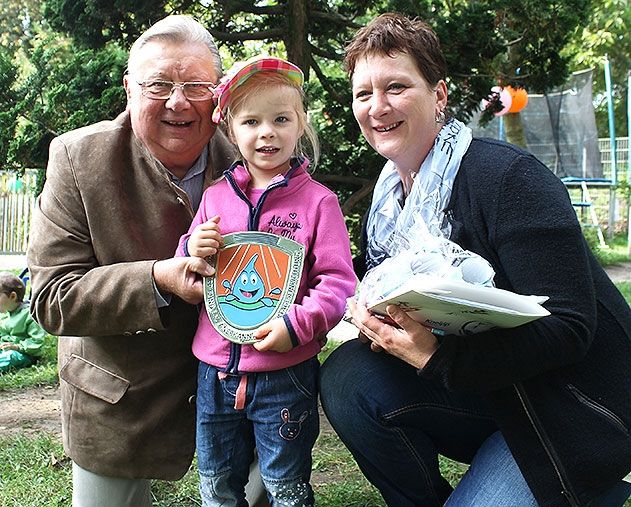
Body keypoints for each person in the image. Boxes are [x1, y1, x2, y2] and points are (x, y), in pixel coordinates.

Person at [319, 12, 631, 507]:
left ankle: (590, 483)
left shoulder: (508, 178)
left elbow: (570, 328)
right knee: (348, 376)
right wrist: (381, 324)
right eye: (363, 93)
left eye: (396, 87)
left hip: (570, 407)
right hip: (489, 387)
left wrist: (434, 357)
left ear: (439, 96)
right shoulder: (386, 207)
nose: (377, 107)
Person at [27, 15, 266, 507]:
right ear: (129, 90)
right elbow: (52, 297)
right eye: (158, 85)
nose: (178, 101)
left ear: (218, 95)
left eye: (196, 86)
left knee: (258, 491)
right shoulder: (77, 157)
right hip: (118, 393)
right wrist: (159, 279)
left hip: (240, 388)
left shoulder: (259, 159)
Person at [175, 56, 356, 506]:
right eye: (251, 121)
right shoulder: (215, 196)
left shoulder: (319, 203)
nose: (267, 132)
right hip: (214, 372)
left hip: (285, 373)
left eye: (281, 119)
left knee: (286, 486)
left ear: (301, 124)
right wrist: (192, 250)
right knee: (217, 482)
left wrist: (297, 326)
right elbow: (187, 261)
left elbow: (337, 283)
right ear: (230, 131)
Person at [0, 272, 46, 373]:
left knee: (9, 357)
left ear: (12, 296)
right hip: (5, 347)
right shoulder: (5, 313)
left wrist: (17, 347)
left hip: (24, 353)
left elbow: (37, 342)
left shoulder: (30, 315)